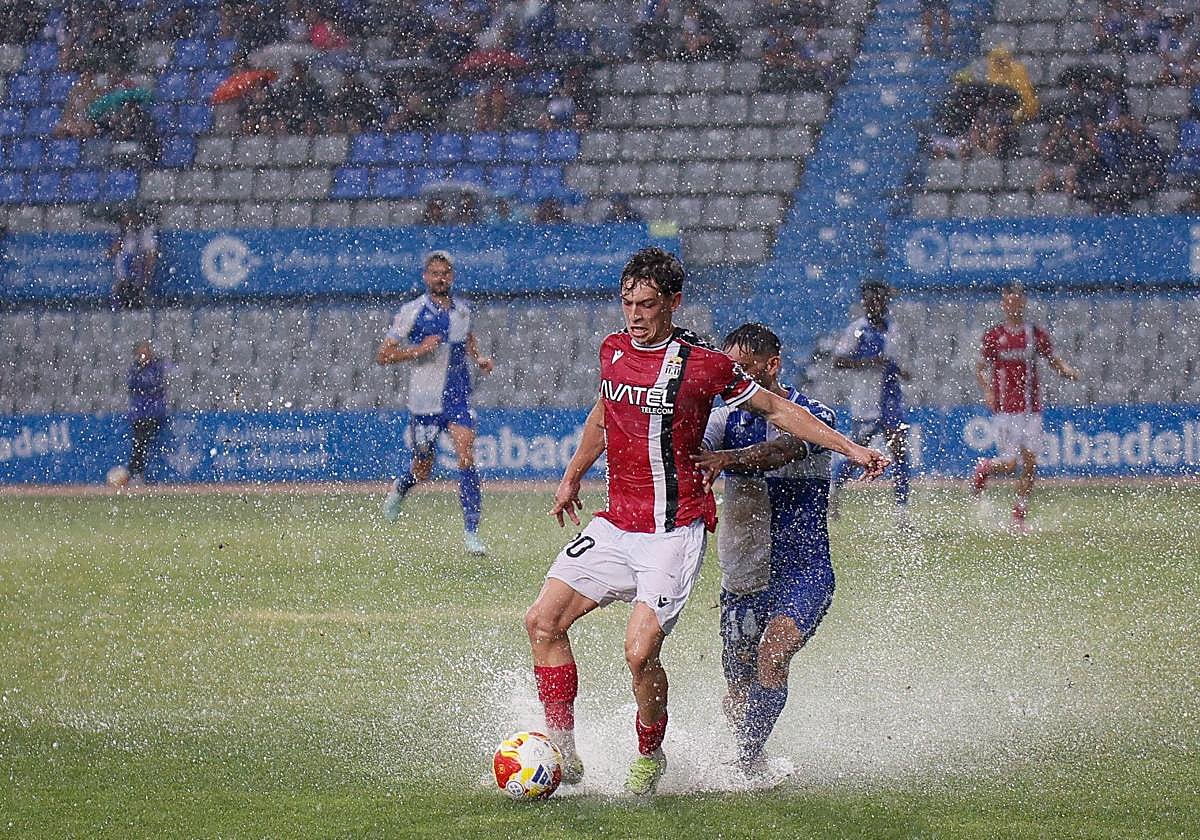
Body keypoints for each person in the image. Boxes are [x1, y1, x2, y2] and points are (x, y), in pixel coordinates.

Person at [523, 248, 887, 796]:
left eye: (647, 304)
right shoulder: (612, 350)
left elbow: (778, 412)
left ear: (673, 302)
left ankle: (651, 754)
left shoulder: (703, 365)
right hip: (616, 524)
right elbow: (604, 413)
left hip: (672, 532)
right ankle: (563, 753)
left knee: (639, 652)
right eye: (628, 303)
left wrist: (852, 449)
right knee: (542, 622)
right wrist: (573, 475)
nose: (635, 315)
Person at [695, 324, 837, 775]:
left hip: (804, 571)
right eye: (727, 368)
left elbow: (783, 450)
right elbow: (691, 452)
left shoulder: (814, 415)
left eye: (741, 368)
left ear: (771, 366)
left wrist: (728, 460)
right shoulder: (723, 419)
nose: (730, 378)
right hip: (743, 578)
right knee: (738, 691)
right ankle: (749, 755)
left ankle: (744, 762)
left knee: (773, 656)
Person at [376, 251, 494, 555]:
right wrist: (418, 350)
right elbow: (384, 355)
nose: (440, 278)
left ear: (451, 277)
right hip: (425, 402)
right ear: (425, 277)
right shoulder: (412, 311)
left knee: (466, 457)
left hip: (457, 398)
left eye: (445, 273)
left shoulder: (463, 311)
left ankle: (471, 532)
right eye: (435, 273)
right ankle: (401, 488)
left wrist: (479, 358)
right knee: (422, 470)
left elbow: (467, 338)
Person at [972, 283, 1080, 533]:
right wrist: (987, 390)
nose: (1013, 304)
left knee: (1030, 462)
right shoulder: (994, 336)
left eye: (1018, 300)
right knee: (1010, 464)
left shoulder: (1034, 334)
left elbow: (1053, 359)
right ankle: (985, 467)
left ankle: (1019, 514)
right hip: (1005, 410)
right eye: (1009, 300)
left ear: (1024, 302)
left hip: (1031, 409)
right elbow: (980, 368)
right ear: (1003, 303)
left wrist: (1067, 371)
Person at [828, 279, 911, 520]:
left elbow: (898, 362)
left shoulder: (894, 330)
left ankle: (902, 512)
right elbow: (838, 360)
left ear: (886, 301)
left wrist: (901, 370)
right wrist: (868, 362)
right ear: (864, 302)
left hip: (891, 400)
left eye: (880, 299)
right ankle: (834, 490)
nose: (875, 304)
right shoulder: (857, 330)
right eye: (871, 299)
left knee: (899, 452)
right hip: (865, 402)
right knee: (857, 453)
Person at [126, 340, 168, 485]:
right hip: (139, 413)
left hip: (153, 412)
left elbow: (154, 383)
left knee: (143, 442)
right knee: (139, 443)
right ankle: (136, 472)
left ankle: (139, 472)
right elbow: (132, 384)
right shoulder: (135, 369)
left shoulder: (155, 368)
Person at [111, 207, 158, 309]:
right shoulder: (123, 234)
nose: (127, 220)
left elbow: (150, 256)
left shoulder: (144, 233)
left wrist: (144, 280)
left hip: (137, 281)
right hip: (123, 281)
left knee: (136, 306)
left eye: (130, 217)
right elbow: (112, 252)